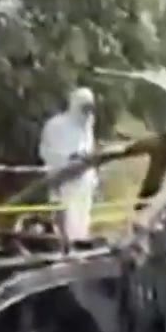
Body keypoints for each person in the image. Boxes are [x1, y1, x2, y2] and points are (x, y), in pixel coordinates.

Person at [39, 87, 99, 245]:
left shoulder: (87, 126)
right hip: (63, 181)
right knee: (64, 217)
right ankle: (64, 246)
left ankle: (79, 244)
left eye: (90, 108)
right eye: (84, 108)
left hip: (84, 182)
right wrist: (67, 159)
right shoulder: (56, 125)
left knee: (82, 217)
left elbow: (89, 150)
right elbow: (45, 152)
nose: (88, 112)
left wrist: (93, 177)